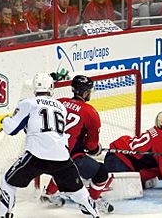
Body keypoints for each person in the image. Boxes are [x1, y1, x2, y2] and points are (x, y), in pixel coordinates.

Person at [0, 73, 100, 218]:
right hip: (62, 156)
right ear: (51, 88)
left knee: (7, 183)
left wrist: (5, 121)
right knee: (80, 193)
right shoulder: (60, 106)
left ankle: (4, 216)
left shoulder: (28, 102)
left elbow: (12, 130)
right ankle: (95, 215)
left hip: (36, 155)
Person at [40, 75, 114, 214]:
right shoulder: (90, 112)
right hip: (66, 156)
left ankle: (48, 194)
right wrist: (95, 149)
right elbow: (91, 145)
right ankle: (90, 202)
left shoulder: (59, 102)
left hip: (44, 151)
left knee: (63, 168)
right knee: (101, 173)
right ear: (86, 93)